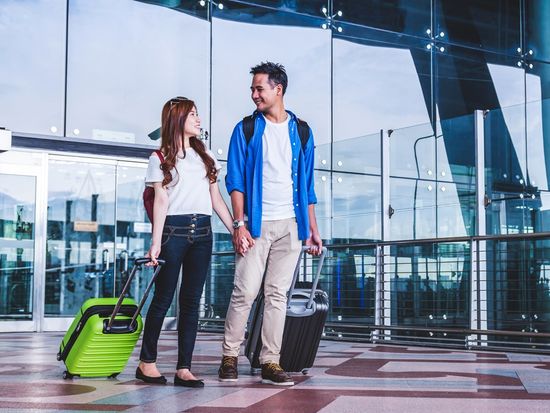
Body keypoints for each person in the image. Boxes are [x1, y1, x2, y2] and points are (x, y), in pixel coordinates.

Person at [219, 62, 323, 386]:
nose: (254, 95)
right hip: (256, 226)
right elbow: (234, 180)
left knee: (277, 295)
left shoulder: (302, 131)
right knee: (245, 292)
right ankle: (229, 356)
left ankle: (270, 361)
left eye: (259, 88)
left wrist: (314, 230)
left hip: (291, 226)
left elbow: (307, 186)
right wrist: (239, 225)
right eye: (252, 89)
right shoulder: (246, 129)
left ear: (278, 89)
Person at [136, 96, 237, 388]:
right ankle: (147, 363)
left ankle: (184, 368)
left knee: (191, 302)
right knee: (163, 299)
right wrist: (156, 243)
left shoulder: (206, 156)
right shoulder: (159, 158)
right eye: (192, 114)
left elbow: (215, 198)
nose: (198, 119)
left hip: (203, 233)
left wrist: (234, 229)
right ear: (177, 119)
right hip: (173, 232)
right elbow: (161, 201)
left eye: (197, 114)